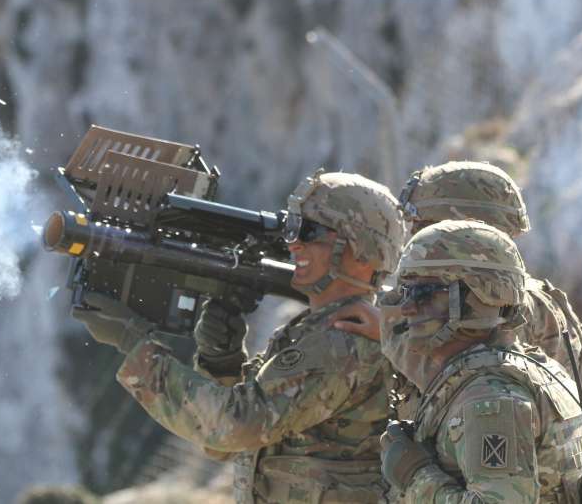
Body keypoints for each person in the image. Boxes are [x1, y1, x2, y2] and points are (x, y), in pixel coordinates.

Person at [72, 170, 407, 503]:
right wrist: (222, 360)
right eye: (291, 229)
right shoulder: (310, 330)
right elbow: (227, 443)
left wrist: (135, 343)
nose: (293, 242)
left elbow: (236, 425)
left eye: (309, 231)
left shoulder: (343, 338)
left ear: (360, 249)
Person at [379, 220, 582, 503]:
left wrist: (414, 475)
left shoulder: (491, 399)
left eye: (424, 293)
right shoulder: (533, 368)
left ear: (481, 295)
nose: (407, 307)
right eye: (405, 291)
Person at [396, 161, 582, 437]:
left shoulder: (500, 306)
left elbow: (434, 373)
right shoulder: (518, 295)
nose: (413, 238)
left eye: (422, 226)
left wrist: (381, 326)